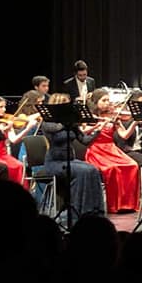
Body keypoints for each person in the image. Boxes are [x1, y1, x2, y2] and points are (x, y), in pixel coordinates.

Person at [40, 92, 105, 220]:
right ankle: (80, 212)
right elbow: (57, 128)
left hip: (70, 160)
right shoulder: (48, 122)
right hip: (54, 162)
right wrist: (71, 120)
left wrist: (98, 130)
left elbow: (85, 140)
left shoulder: (70, 122)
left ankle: (95, 211)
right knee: (83, 171)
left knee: (93, 169)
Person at [83, 89, 140, 213]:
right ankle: (115, 206)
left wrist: (134, 123)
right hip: (97, 151)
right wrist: (99, 125)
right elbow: (84, 132)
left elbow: (124, 135)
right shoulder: (90, 118)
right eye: (104, 100)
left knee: (133, 165)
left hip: (112, 149)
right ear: (96, 102)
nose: (108, 103)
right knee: (112, 169)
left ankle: (128, 205)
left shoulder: (113, 117)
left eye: (108, 100)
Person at [0, 95, 39, 186]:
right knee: (4, 167)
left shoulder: (5, 121)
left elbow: (14, 140)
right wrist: (1, 130)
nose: (4, 109)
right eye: (1, 107)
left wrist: (27, 129)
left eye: (4, 106)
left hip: (2, 155)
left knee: (18, 166)